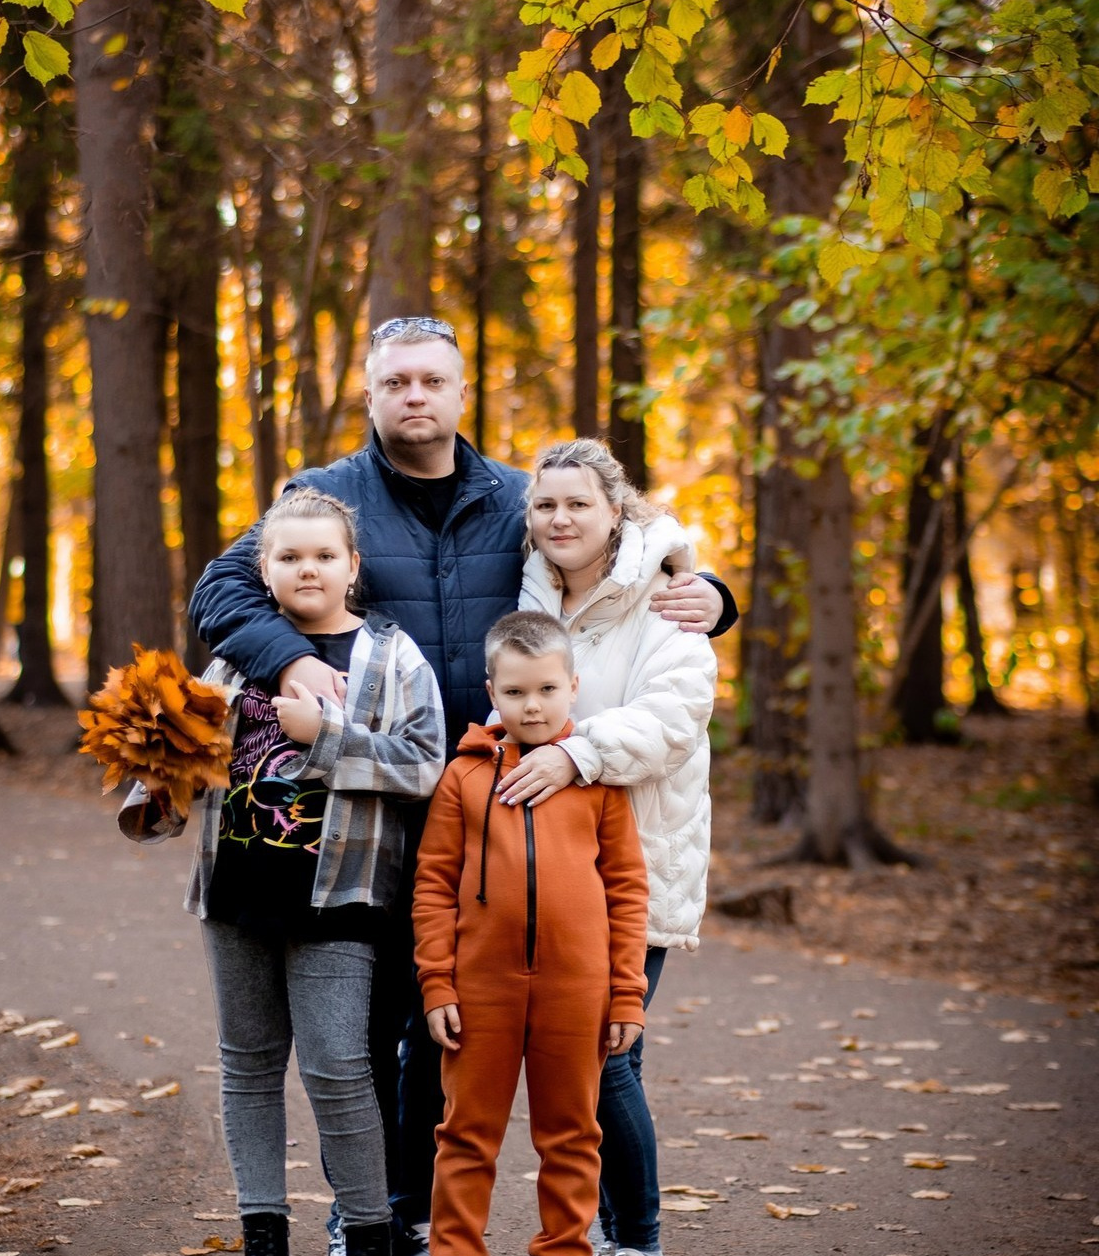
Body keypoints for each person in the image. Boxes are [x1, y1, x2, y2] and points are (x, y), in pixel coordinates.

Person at [187, 316, 737, 1254]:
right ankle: (380, 1221)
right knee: (370, 1038)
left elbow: (637, 541)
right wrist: (285, 661)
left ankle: (614, 1235)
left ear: (459, 393)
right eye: (396, 381)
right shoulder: (322, 496)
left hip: (507, 819)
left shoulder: (516, 499)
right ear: (370, 394)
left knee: (505, 1047)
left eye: (431, 381)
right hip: (367, 816)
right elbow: (220, 593)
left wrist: (714, 593)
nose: (414, 396)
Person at [121, 489, 446, 1256]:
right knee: (249, 1065)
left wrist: (327, 738)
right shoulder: (233, 659)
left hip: (340, 899)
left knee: (338, 1064)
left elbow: (424, 766)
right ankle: (263, 1228)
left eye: (325, 556)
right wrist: (153, 780)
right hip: (235, 895)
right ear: (263, 571)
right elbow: (191, 765)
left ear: (352, 566)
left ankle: (370, 1232)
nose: (309, 569)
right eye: (290, 556)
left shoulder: (392, 657)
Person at [495, 438, 717, 1256]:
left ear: (615, 510)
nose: (560, 518)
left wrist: (572, 750)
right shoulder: (528, 596)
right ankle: (617, 1232)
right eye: (545, 504)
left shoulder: (670, 601)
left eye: (578, 503)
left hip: (639, 862)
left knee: (600, 1050)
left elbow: (674, 715)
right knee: (612, 1053)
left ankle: (639, 1239)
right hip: (547, 869)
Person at [413, 610, 650, 1256]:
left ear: (573, 686)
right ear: (492, 693)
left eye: (548, 689)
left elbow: (628, 891)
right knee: (465, 1134)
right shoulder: (462, 777)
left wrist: (626, 992)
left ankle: (565, 1247)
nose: (533, 705)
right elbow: (434, 885)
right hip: (480, 990)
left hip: (577, 991)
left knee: (572, 1134)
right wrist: (438, 985)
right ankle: (456, 1248)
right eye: (515, 692)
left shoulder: (596, 782)